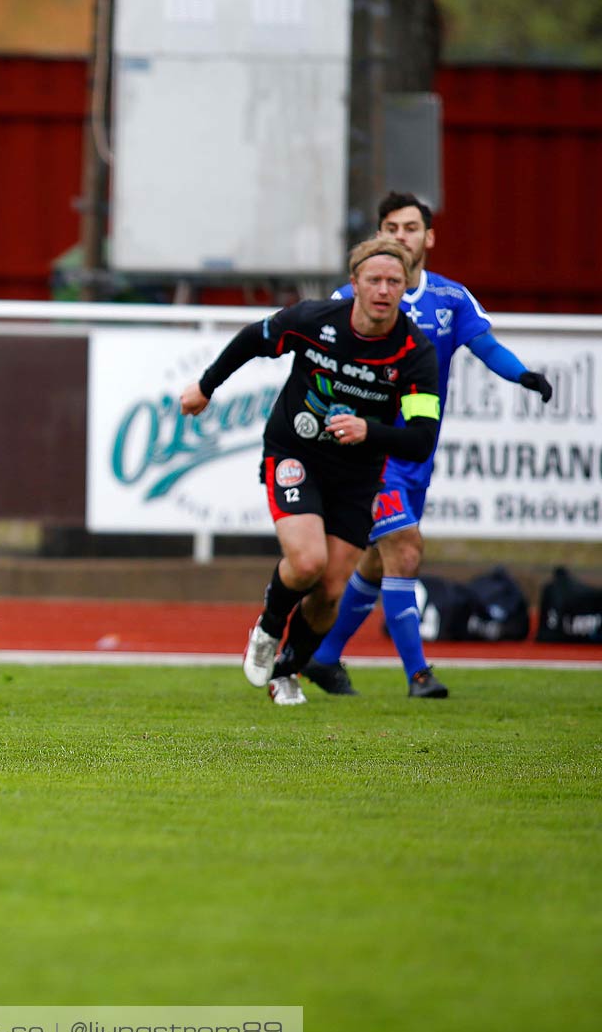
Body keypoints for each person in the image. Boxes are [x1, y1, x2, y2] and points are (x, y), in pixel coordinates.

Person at [292, 191, 554, 699]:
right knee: (406, 550)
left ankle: (322, 657)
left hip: (414, 452)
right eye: (390, 227)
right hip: (368, 454)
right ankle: (418, 675)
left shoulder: (451, 299)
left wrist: (523, 376)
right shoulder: (351, 300)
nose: (400, 236)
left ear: (428, 237)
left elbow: (485, 346)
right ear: (377, 236)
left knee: (374, 562)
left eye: (410, 228)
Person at [179, 237, 441, 705]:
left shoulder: (414, 353)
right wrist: (205, 386)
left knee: (330, 590)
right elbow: (251, 340)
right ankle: (269, 625)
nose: (384, 290)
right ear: (355, 283)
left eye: (394, 282)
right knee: (307, 563)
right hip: (294, 452)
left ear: (404, 288)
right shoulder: (314, 320)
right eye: (374, 280)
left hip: (359, 475)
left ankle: (288, 669)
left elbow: (422, 437)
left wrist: (370, 431)